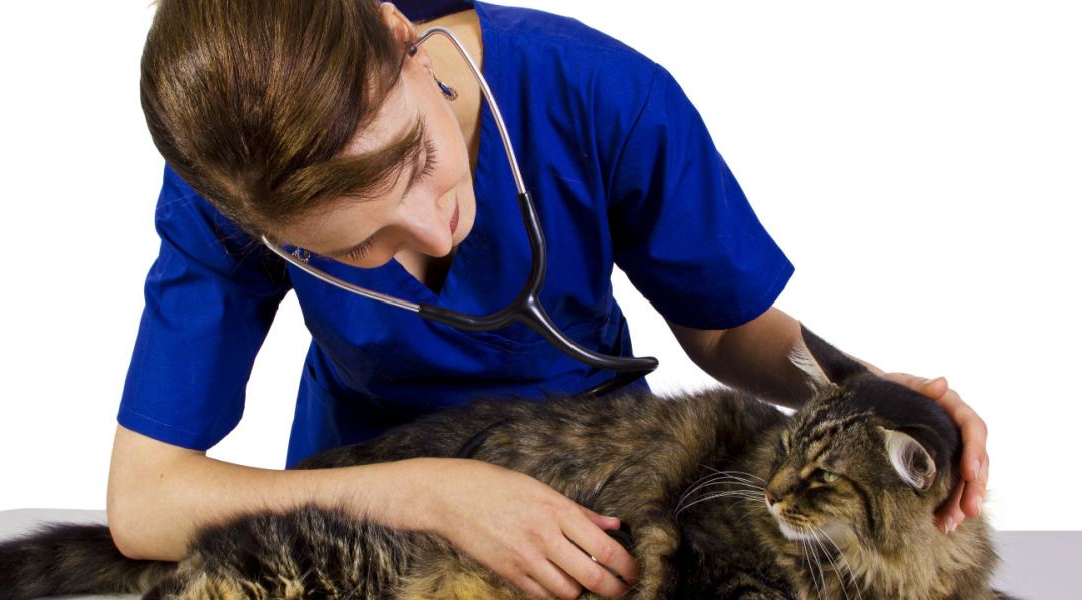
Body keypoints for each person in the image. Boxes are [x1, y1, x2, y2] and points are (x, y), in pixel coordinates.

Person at [108, 1, 990, 599]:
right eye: (358, 246)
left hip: (602, 508)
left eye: (419, 158)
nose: (435, 227)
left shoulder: (599, 93)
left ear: (399, 31)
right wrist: (435, 495)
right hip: (363, 509)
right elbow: (145, 499)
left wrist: (879, 407)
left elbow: (727, 329)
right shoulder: (230, 192)